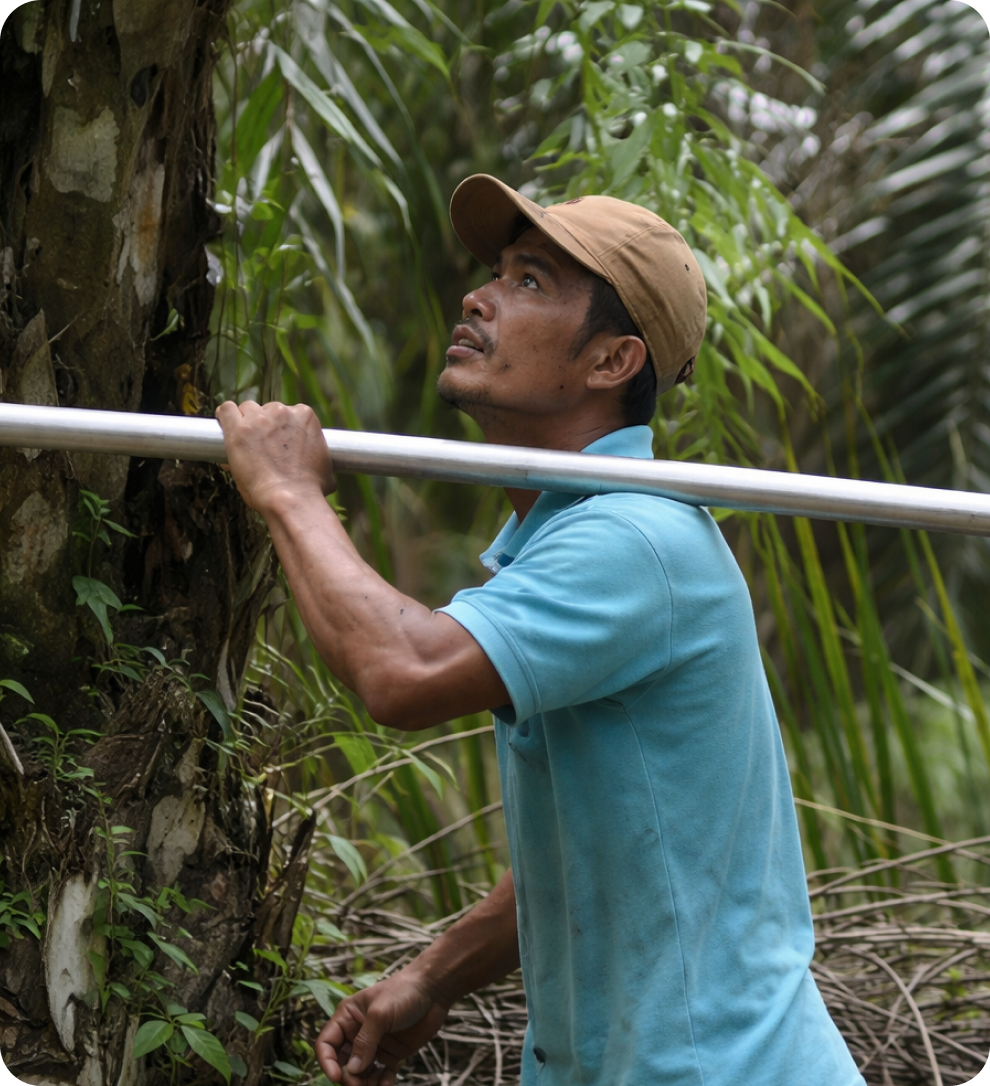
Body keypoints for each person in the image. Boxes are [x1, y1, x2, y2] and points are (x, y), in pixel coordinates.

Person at [217, 175, 865, 1086]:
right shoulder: (568, 537)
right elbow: (616, 851)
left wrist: (288, 493)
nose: (479, 296)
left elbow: (402, 671)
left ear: (611, 363)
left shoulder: (632, 538)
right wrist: (436, 976)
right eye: (496, 272)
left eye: (529, 283)